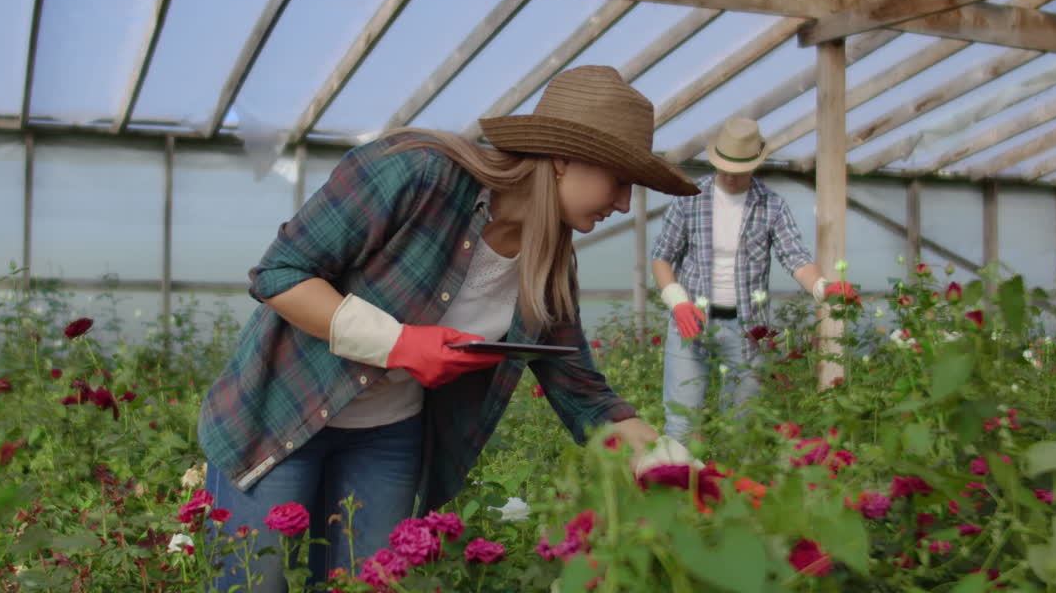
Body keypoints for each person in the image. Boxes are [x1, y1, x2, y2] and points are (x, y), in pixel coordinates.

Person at [197, 65, 702, 590]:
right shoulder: (417, 173)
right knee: (253, 581)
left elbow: (582, 393)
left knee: (370, 585)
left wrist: (668, 461)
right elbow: (280, 273)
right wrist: (398, 343)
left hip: (387, 440)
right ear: (562, 159)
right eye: (619, 180)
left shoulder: (549, 262)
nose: (624, 203)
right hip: (282, 414)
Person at [651, 117, 848, 441]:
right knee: (682, 425)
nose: (728, 175)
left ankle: (729, 487)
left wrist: (822, 287)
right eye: (722, 166)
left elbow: (795, 257)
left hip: (747, 329)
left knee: (740, 428)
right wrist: (678, 302)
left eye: (737, 169)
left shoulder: (771, 206)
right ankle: (679, 486)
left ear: (754, 165)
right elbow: (662, 257)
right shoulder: (689, 197)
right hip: (690, 322)